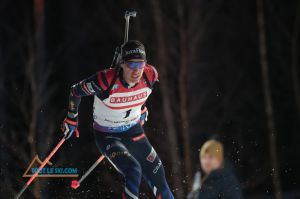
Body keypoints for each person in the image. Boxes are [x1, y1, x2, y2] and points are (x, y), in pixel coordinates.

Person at [61, 40, 174, 199]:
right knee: (134, 170)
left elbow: (141, 94)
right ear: (122, 64)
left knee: (158, 176)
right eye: (132, 65)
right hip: (108, 136)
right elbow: (75, 91)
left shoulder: (150, 76)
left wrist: (141, 108)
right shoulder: (105, 81)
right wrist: (72, 118)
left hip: (134, 131)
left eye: (140, 65)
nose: (137, 71)